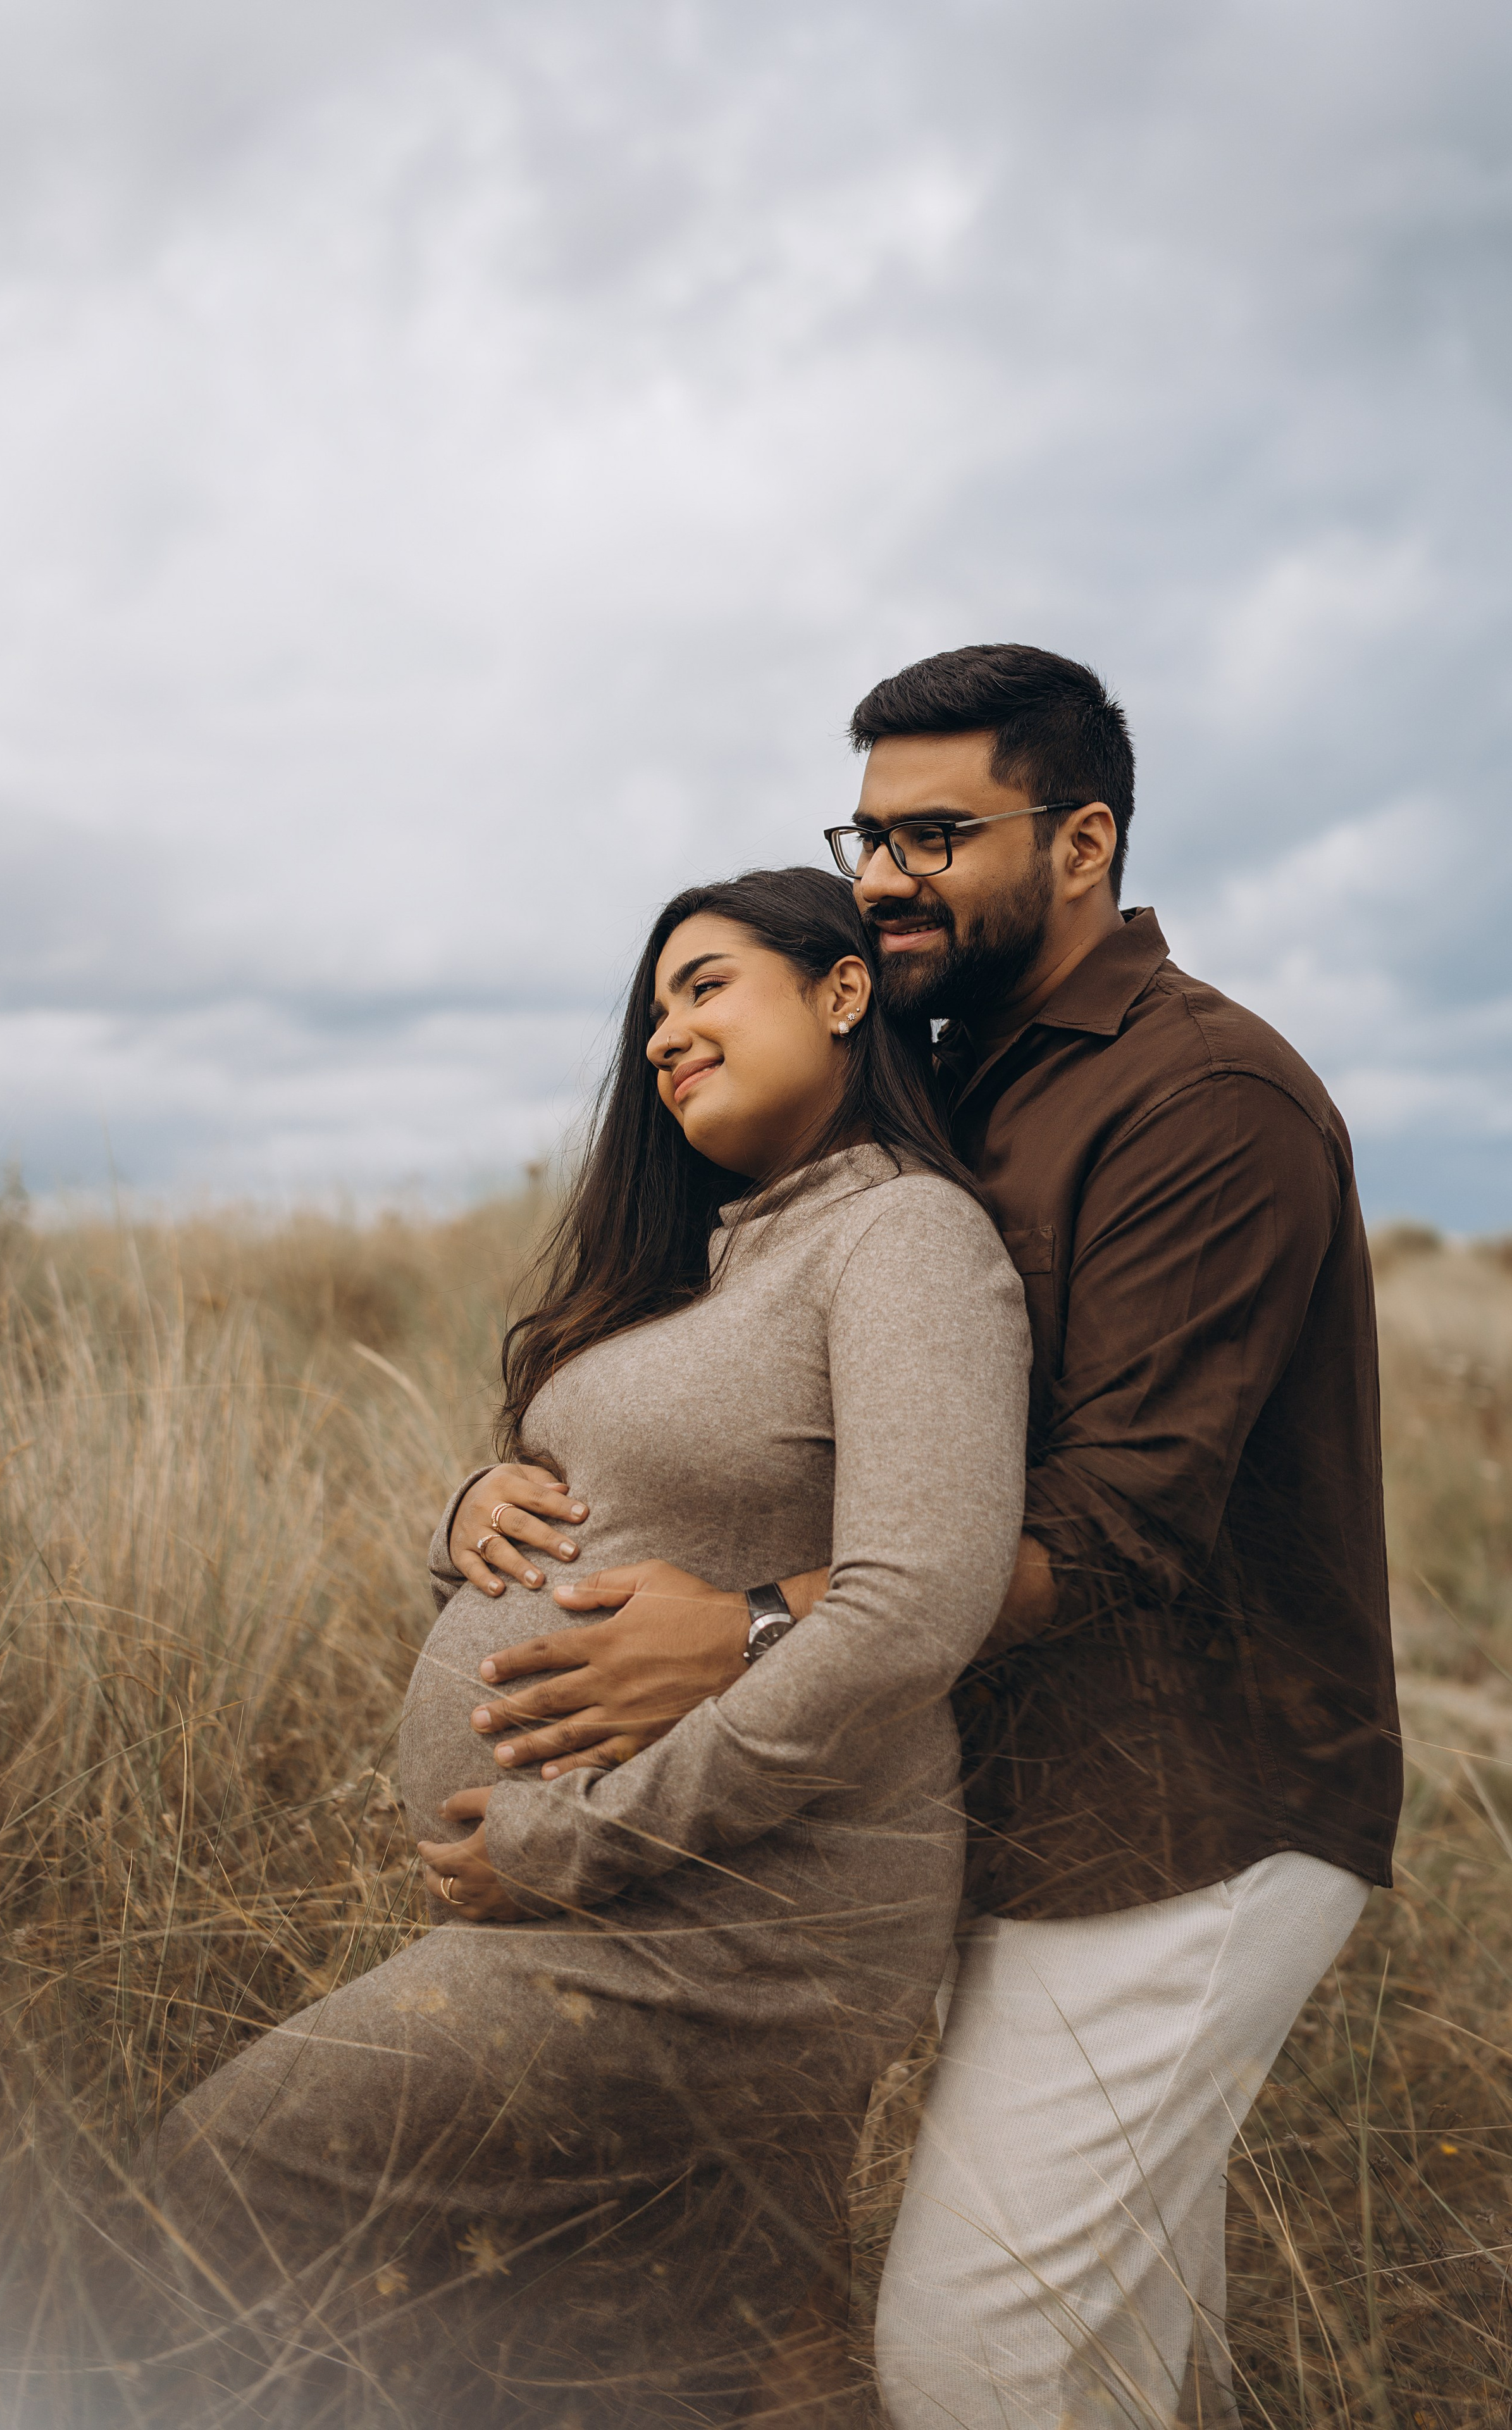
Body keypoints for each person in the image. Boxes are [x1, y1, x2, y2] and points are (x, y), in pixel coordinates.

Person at [450, 645, 1403, 2429]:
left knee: (973, 2356)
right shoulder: (937, 1086)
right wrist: (484, 1500)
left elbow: (1125, 1522)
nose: (886, 876)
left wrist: (746, 1630)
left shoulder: (1206, 1101)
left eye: (940, 833)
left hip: (1189, 1816)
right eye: (867, 833)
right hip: (1005, 1806)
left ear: (1082, 839)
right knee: (1124, 2368)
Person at [152, 866, 1030, 2428]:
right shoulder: (723, 1254)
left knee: (226, 2172)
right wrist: (471, 1508)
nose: (663, 1037)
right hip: (621, 1903)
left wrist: (574, 1842)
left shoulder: (901, 1235)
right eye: (650, 1013)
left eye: (704, 987)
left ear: (840, 991)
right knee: (696, 2362)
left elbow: (913, 1612)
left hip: (732, 1927)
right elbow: (621, 1500)